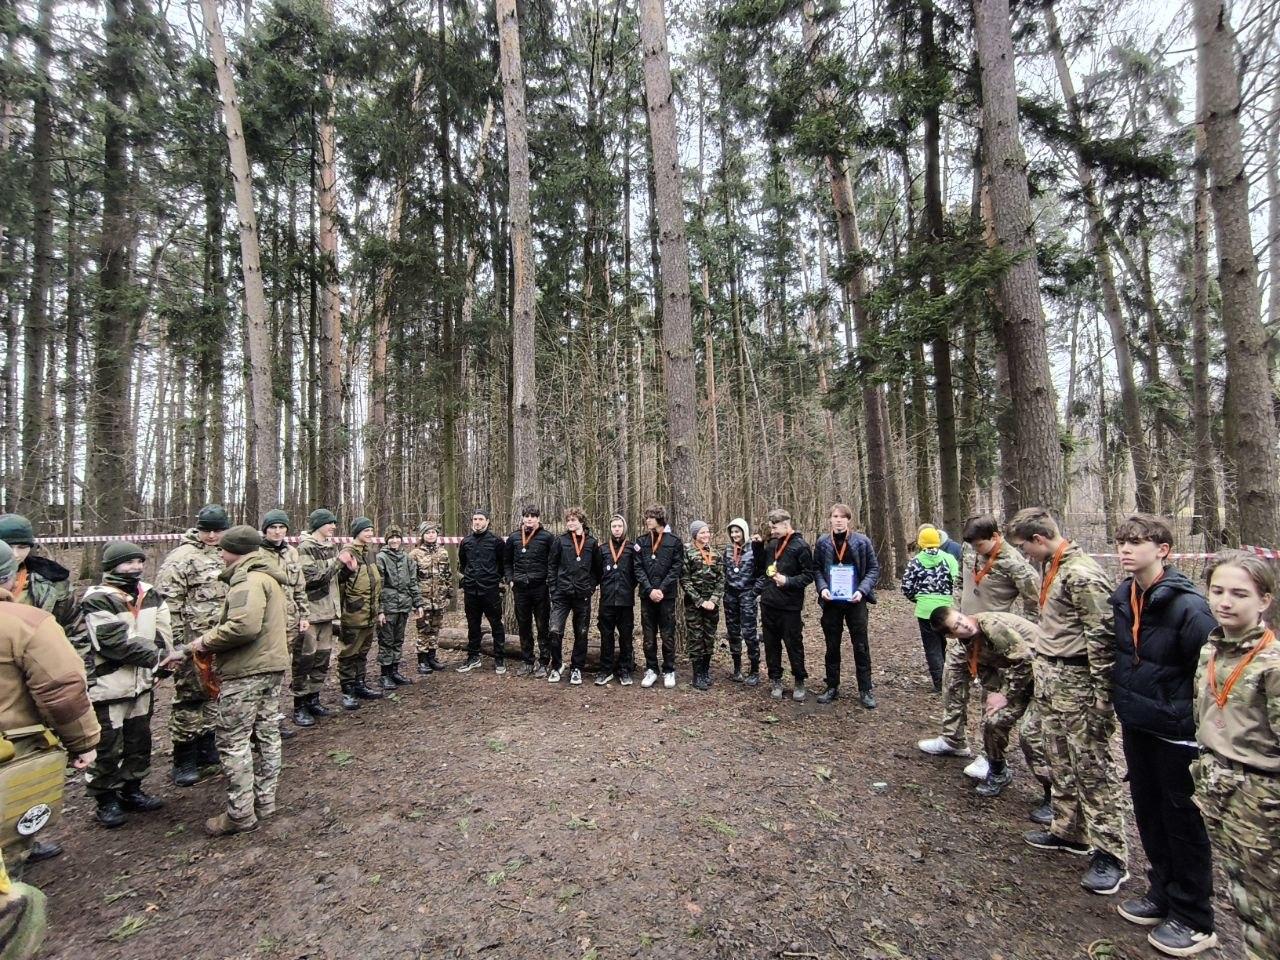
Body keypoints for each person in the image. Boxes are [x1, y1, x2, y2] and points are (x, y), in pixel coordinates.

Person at [1109, 514, 1218, 957]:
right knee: (1148, 812)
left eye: (1136, 543)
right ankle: (1162, 893)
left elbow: (1209, 673)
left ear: (1164, 550)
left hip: (1178, 733)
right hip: (1138, 723)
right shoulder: (1124, 596)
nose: (1126, 550)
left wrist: (1197, 728)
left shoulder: (1190, 607)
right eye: (1121, 543)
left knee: (1182, 820)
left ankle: (1195, 917)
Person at [1006, 507, 1129, 897]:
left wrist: (1104, 698)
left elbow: (1103, 638)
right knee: (1058, 756)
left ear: (1039, 540)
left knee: (1091, 765)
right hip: (1052, 678)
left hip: (1079, 683)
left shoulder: (1082, 574)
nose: (1025, 554)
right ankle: (1069, 830)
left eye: (1025, 546)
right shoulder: (1053, 568)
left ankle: (1111, 852)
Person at [160, 526, 288, 836]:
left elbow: (243, 627)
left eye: (225, 548)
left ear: (237, 551)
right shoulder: (267, 576)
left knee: (234, 743)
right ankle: (264, 802)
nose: (219, 552)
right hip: (269, 667)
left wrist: (198, 644)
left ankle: (240, 814)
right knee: (267, 734)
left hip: (247, 672)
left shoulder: (248, 580)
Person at [920, 513, 1044, 807]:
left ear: (996, 536)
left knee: (994, 698)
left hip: (995, 638)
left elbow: (1034, 605)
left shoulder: (1015, 564)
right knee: (952, 683)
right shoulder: (967, 550)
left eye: (981, 545)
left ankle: (990, 757)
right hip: (963, 629)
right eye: (972, 545)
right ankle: (953, 738)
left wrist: (1019, 634)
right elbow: (963, 581)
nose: (976, 550)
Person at [1193, 552, 1278, 960]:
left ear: (1264, 600)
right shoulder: (1212, 650)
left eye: (1240, 594)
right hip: (1217, 784)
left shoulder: (1271, 664)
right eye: (1218, 591)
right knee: (1241, 892)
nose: (1225, 601)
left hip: (1261, 798)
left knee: (1268, 902)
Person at [0, 539, 99, 879]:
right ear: (12, 579)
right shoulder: (27, 624)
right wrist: (83, 743)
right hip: (11, 751)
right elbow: (62, 690)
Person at [80, 541, 172, 827]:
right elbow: (112, 642)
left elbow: (164, 631)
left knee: (139, 740)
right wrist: (159, 658)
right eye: (128, 562)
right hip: (109, 685)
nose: (135, 567)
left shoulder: (151, 594)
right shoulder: (96, 598)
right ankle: (105, 799)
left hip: (143, 683)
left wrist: (164, 662)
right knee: (107, 746)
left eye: (139, 561)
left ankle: (132, 790)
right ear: (111, 566)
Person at [929, 607, 1041, 799]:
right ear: (951, 635)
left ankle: (1053, 797)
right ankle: (998, 772)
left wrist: (1004, 695)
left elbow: (1025, 659)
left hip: (1044, 681)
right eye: (957, 625)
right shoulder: (969, 643)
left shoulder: (991, 626)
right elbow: (986, 669)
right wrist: (995, 694)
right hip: (1021, 682)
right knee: (992, 722)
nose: (964, 624)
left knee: (1031, 737)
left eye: (961, 618)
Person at [156, 504, 230, 788]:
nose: (212, 536)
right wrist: (174, 643)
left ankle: (207, 748)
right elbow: (167, 603)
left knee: (214, 693)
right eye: (206, 531)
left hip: (219, 639)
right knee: (189, 698)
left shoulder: (227, 555)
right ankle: (184, 757)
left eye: (217, 531)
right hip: (190, 641)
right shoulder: (182, 557)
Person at [813, 504, 881, 708]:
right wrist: (822, 587)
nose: (838, 520)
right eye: (835, 516)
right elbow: (816, 569)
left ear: (849, 520)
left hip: (856, 601)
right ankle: (832, 686)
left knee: (860, 645)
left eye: (843, 517)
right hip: (831, 602)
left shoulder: (862, 541)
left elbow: (873, 569)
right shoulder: (823, 542)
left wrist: (862, 590)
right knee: (831, 645)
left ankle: (865, 689)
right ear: (830, 519)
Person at [752, 509, 814, 702]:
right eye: (770, 527)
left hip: (790, 606)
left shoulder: (801, 546)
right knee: (771, 644)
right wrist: (757, 547)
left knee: (793, 644)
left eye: (775, 527)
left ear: (786, 524)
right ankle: (775, 679)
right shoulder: (771, 544)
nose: (772, 531)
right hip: (769, 602)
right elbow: (762, 568)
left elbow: (809, 575)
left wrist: (788, 581)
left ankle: (799, 680)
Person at [258, 510, 309, 736]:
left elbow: (299, 586)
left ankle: (273, 720)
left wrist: (304, 615)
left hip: (290, 621)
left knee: (281, 670)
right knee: (265, 672)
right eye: (272, 528)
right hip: (266, 622)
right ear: (265, 530)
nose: (277, 532)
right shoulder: (256, 553)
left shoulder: (292, 553)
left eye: (281, 528)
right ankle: (261, 723)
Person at [295, 508, 343, 721]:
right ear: (318, 525)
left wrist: (345, 567)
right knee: (305, 658)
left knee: (322, 658)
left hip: (328, 611)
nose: (333, 526)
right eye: (329, 523)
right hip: (311, 612)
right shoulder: (305, 548)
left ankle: (314, 698)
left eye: (334, 523)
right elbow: (313, 577)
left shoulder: (330, 546)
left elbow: (334, 579)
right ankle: (299, 704)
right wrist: (340, 562)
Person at [546, 508, 602, 686]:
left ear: (581, 521)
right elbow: (552, 566)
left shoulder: (592, 543)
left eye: (573, 519)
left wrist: (590, 587)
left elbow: (596, 569)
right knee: (554, 631)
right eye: (568, 520)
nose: (570, 522)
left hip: (582, 595)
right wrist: (554, 589)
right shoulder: (560, 541)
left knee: (582, 633)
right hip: (561, 594)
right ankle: (557, 665)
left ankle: (577, 667)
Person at [901, 526, 959, 693]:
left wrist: (918, 599)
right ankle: (952, 680)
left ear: (920, 543)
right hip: (947, 609)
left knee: (931, 647)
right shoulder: (949, 559)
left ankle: (939, 683)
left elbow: (906, 586)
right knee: (947, 644)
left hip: (925, 610)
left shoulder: (915, 561)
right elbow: (957, 581)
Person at [336, 517, 385, 709]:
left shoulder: (371, 553)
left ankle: (360, 684)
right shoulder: (348, 553)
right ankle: (347, 690)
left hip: (370, 612)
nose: (370, 534)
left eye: (372, 531)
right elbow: (339, 584)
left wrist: (379, 609)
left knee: (363, 652)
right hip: (353, 613)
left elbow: (377, 584)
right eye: (366, 531)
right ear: (357, 532)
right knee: (349, 653)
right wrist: (340, 614)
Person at [634, 504, 682, 689]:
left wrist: (661, 589)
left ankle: (669, 670)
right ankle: (651, 669)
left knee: (668, 634)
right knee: (648, 636)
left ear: (660, 519)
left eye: (651, 518)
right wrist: (649, 589)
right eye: (646, 517)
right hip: (647, 597)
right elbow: (637, 567)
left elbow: (676, 568)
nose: (647, 521)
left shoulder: (674, 541)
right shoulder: (641, 541)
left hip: (666, 597)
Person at [505, 506, 555, 677]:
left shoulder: (547, 537)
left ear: (538, 519)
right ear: (523, 518)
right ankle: (527, 660)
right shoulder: (513, 537)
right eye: (527, 516)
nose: (530, 519)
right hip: (520, 589)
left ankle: (544, 661)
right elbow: (506, 561)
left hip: (540, 587)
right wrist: (510, 579)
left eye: (533, 516)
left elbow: (553, 561)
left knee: (542, 625)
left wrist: (549, 580)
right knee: (524, 626)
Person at [457, 509, 507, 673]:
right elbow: (463, 564)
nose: (477, 522)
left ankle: (499, 659)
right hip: (471, 590)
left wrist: (494, 579)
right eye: (475, 519)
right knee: (473, 625)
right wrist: (467, 580)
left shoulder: (496, 541)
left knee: (496, 625)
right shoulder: (466, 542)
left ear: (487, 521)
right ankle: (473, 657)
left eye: (480, 519)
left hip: (490, 590)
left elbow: (502, 564)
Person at [375, 526, 423, 690]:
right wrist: (380, 610)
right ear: (386, 540)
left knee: (398, 640)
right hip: (388, 607)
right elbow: (378, 586)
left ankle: (394, 671)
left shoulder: (406, 558)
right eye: (391, 538)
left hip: (403, 605)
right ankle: (385, 674)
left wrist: (418, 603)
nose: (395, 541)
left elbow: (412, 582)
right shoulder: (381, 558)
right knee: (386, 640)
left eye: (397, 538)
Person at [681, 520, 724, 691]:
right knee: (696, 638)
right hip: (695, 605)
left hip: (712, 605)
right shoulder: (688, 553)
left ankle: (706, 671)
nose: (705, 536)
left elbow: (721, 579)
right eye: (701, 533)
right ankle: (697, 674)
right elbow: (684, 579)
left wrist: (713, 600)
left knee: (709, 637)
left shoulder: (716, 554)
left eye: (707, 532)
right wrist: (699, 601)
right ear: (695, 535)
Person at [596, 514, 636, 686]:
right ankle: (606, 670)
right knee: (606, 636)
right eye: (614, 526)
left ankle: (625, 670)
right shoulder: (603, 549)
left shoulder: (632, 548)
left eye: (619, 526)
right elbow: (597, 572)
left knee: (626, 636)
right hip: (607, 600)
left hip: (625, 601)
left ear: (624, 528)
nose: (617, 529)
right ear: (610, 529)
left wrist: (627, 587)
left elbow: (636, 573)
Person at [409, 522, 453, 675]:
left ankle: (432, 658)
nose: (430, 535)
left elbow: (447, 575)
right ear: (422, 535)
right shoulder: (415, 554)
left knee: (435, 629)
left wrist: (449, 594)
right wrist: (415, 601)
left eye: (433, 532)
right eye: (427, 533)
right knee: (423, 630)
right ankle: (422, 660)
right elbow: (411, 579)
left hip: (439, 599)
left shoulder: (443, 553)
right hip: (423, 600)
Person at [722, 518, 758, 684]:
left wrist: (753, 592)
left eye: (738, 531)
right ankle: (737, 668)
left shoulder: (754, 548)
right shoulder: (728, 549)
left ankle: (754, 670)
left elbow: (762, 573)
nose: (735, 535)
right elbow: (724, 571)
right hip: (730, 597)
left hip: (747, 595)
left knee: (750, 634)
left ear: (744, 531)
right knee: (733, 633)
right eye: (732, 532)